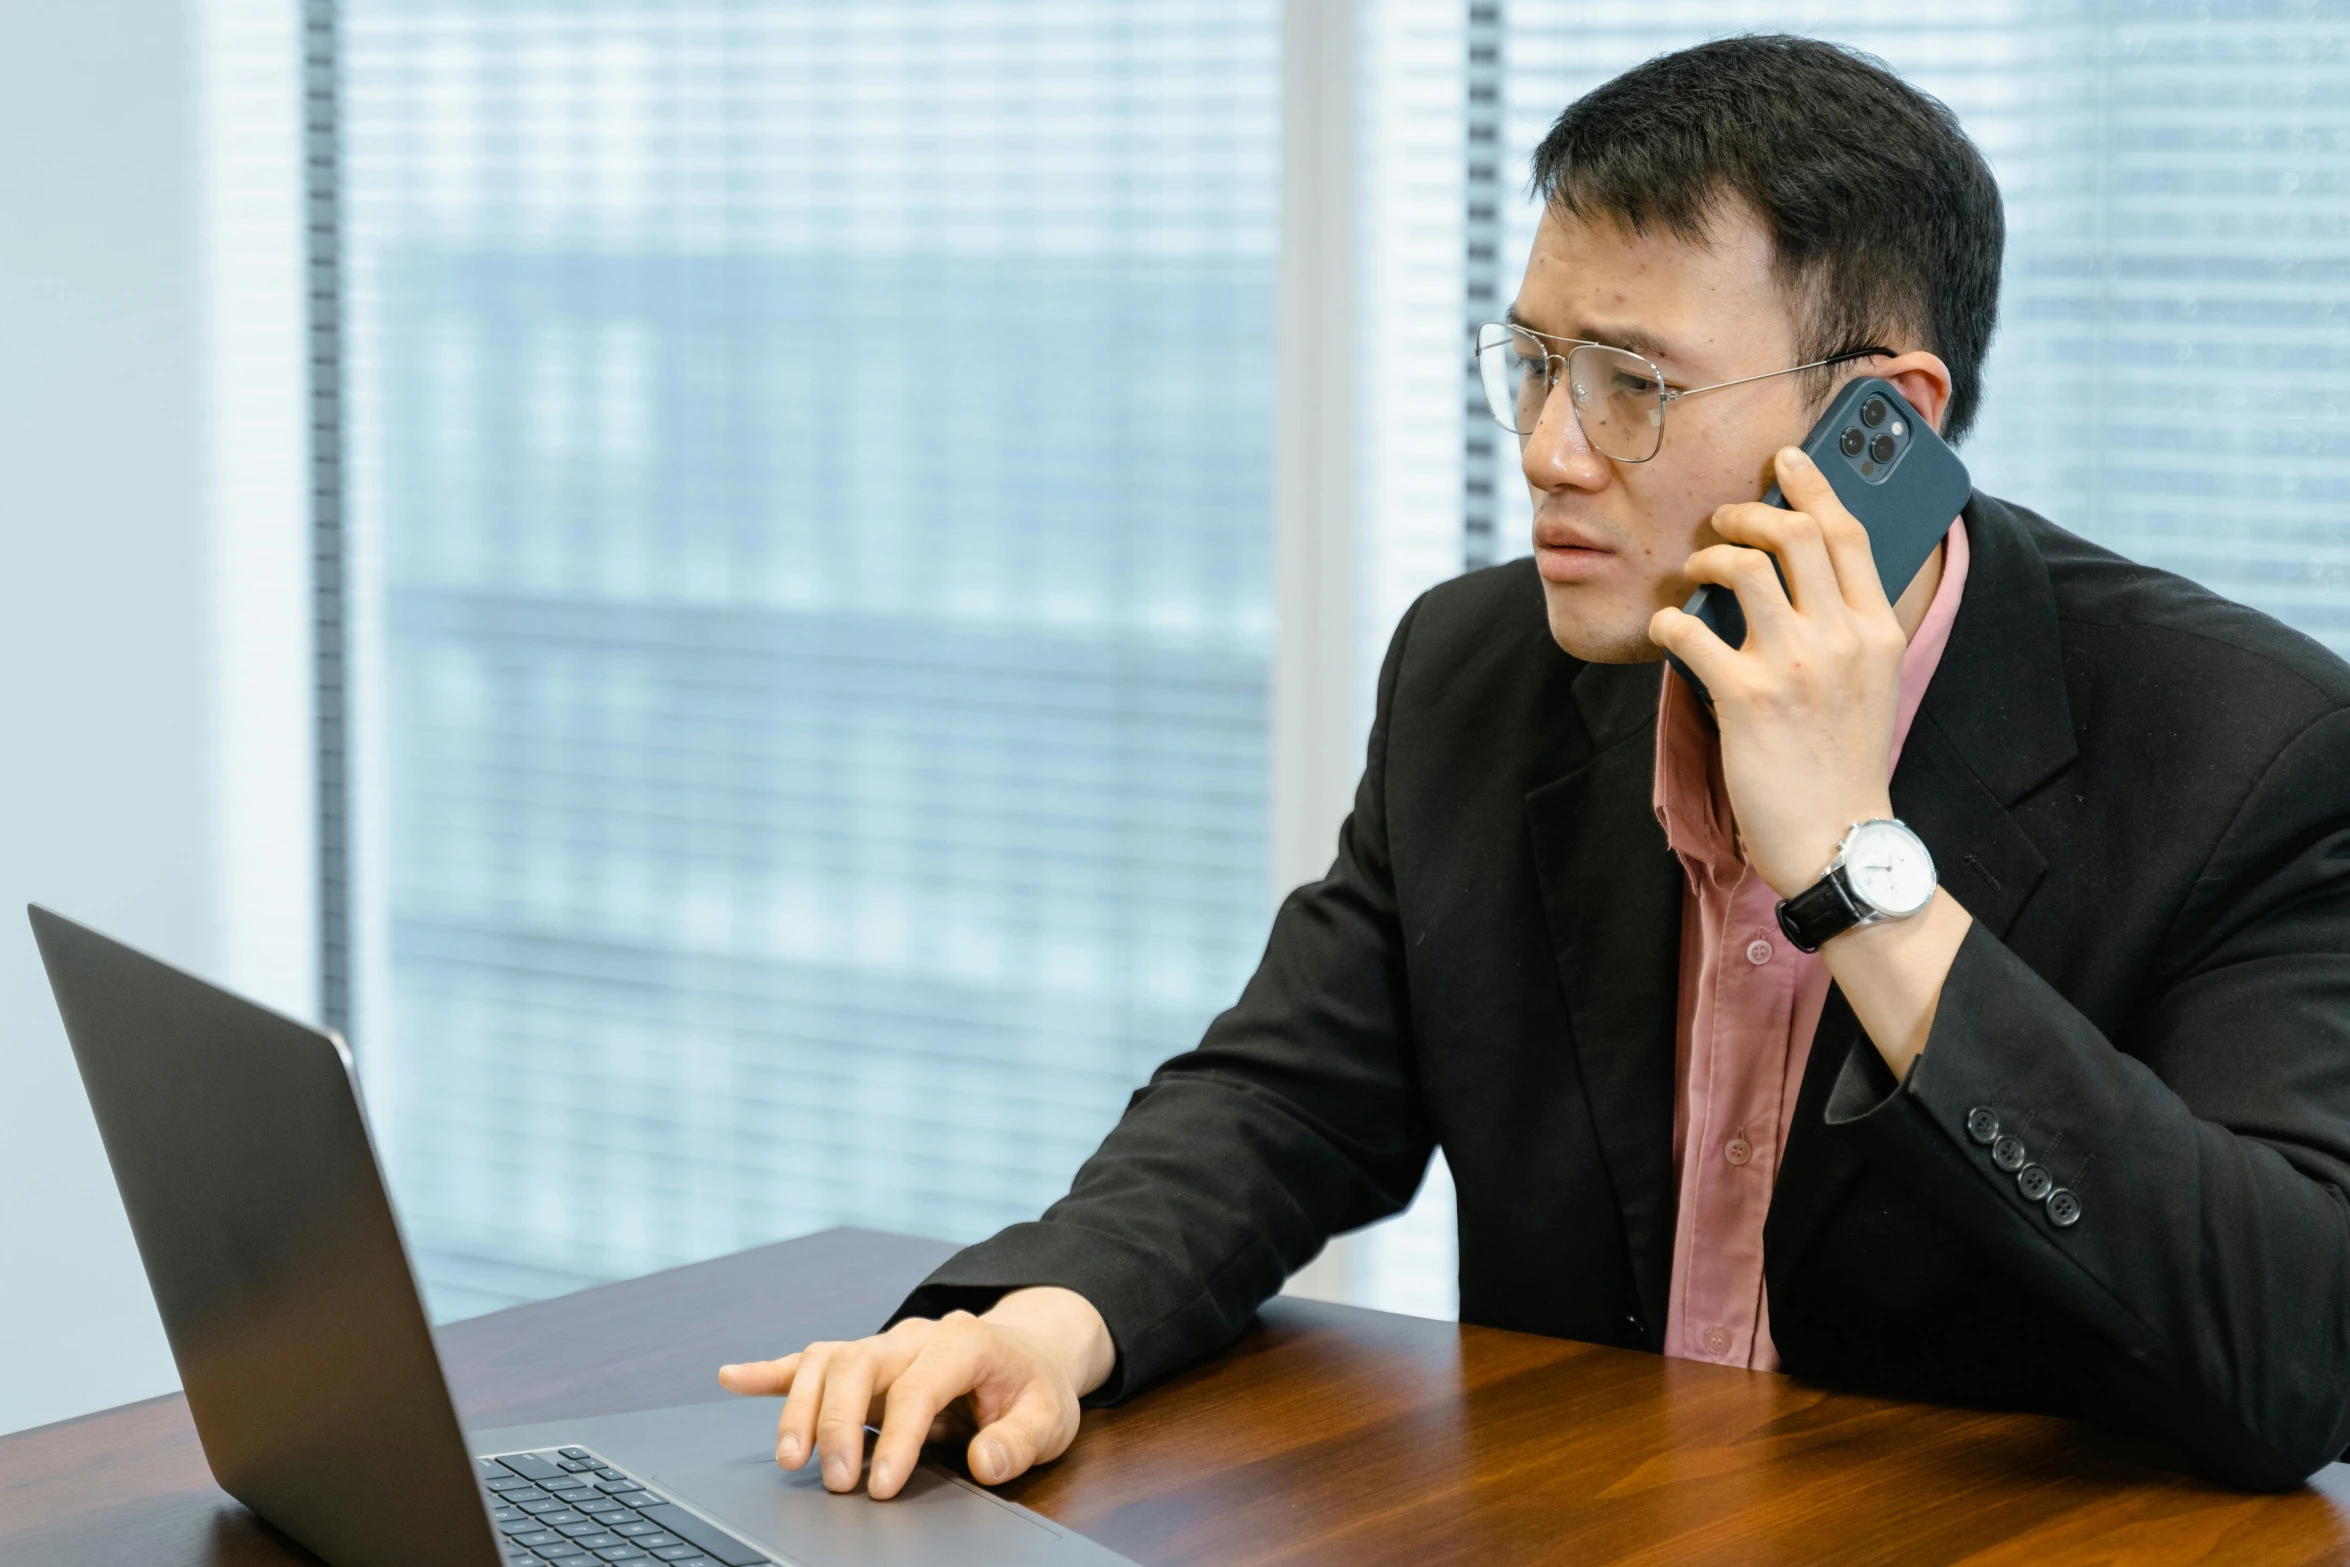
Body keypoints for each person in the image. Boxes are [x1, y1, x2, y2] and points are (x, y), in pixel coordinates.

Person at [716, 34, 2350, 1494]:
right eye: (1533, 362)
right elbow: (1288, 1094)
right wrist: (1051, 1320)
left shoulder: (2248, 750)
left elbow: (2291, 1356)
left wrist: (1855, 866)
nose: (1549, 450)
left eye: (1633, 384)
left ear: (1883, 427)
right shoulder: (1482, 668)